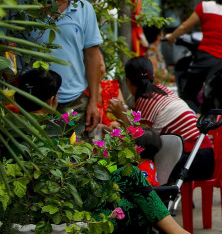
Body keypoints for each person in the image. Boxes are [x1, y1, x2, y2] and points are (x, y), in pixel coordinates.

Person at [14, 68, 189, 234]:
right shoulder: (59, 127)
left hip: (50, 201)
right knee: (132, 193)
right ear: (52, 99)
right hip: (69, 202)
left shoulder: (12, 128)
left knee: (129, 189)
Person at [107, 56, 215, 184]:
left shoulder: (144, 101)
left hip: (194, 160)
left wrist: (121, 116)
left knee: (138, 164)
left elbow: (141, 143)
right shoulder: (162, 91)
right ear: (151, 76)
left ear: (128, 81)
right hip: (206, 155)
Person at [29, 0, 103, 132]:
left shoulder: (83, 9)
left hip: (75, 105)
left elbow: (92, 56)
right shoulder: (23, 11)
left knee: (76, 155)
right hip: (36, 106)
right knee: (40, 157)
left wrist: (93, 101)